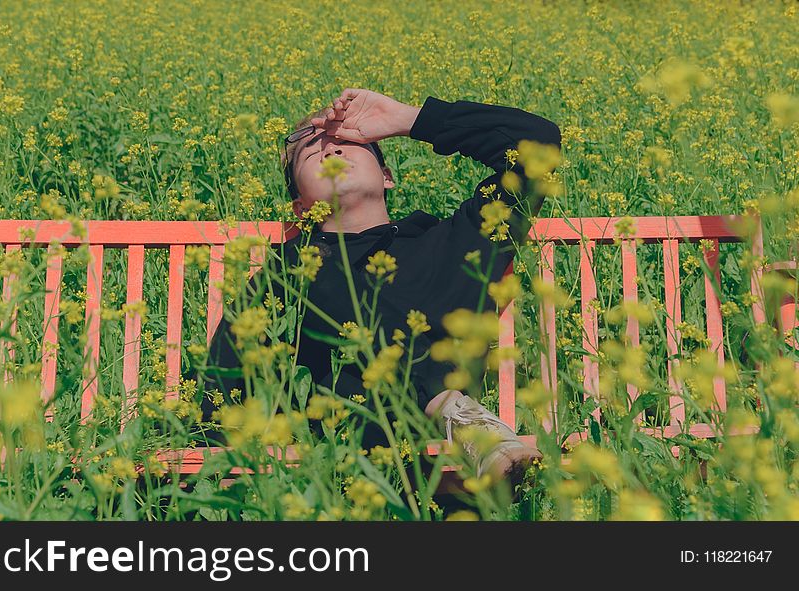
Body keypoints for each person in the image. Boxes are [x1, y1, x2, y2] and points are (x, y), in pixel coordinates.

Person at [202, 88, 561, 482]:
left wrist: (409, 120)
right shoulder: (289, 271)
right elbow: (224, 376)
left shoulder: (455, 242)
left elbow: (539, 144)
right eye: (312, 150)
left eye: (346, 141)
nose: (332, 150)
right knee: (314, 264)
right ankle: (454, 412)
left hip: (411, 465)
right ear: (300, 207)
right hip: (331, 461)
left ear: (387, 177)